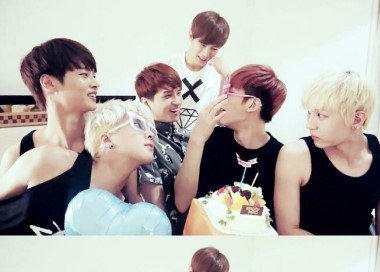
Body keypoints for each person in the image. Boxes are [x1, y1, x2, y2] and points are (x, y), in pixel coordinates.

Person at [274, 69, 380, 235]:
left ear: (357, 119)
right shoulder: (295, 156)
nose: (310, 124)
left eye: (321, 115)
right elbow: (288, 231)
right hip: (307, 248)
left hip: (362, 249)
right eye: (309, 113)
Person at [0, 99, 157, 235]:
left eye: (151, 128)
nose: (150, 134)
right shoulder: (52, 160)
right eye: (138, 124)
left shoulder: (121, 215)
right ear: (106, 139)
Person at [174, 64, 287, 226]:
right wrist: (196, 140)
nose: (220, 99)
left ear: (252, 105)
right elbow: (182, 203)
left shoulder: (281, 157)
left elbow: (273, 224)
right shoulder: (213, 138)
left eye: (228, 92)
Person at [0, 38, 99, 177]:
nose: (96, 84)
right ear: (48, 83)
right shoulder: (16, 156)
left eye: (94, 75)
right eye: (84, 75)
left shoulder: (107, 144)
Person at [133, 62, 190, 234]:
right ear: (145, 102)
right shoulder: (145, 142)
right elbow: (156, 210)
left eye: (178, 93)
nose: (177, 101)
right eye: (167, 96)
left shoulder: (187, 136)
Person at [166, 11, 230, 130]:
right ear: (191, 35)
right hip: (164, 138)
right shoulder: (166, 66)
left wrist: (225, 76)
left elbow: (220, 119)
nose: (206, 54)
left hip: (200, 139)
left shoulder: (217, 75)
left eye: (214, 49)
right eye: (203, 44)